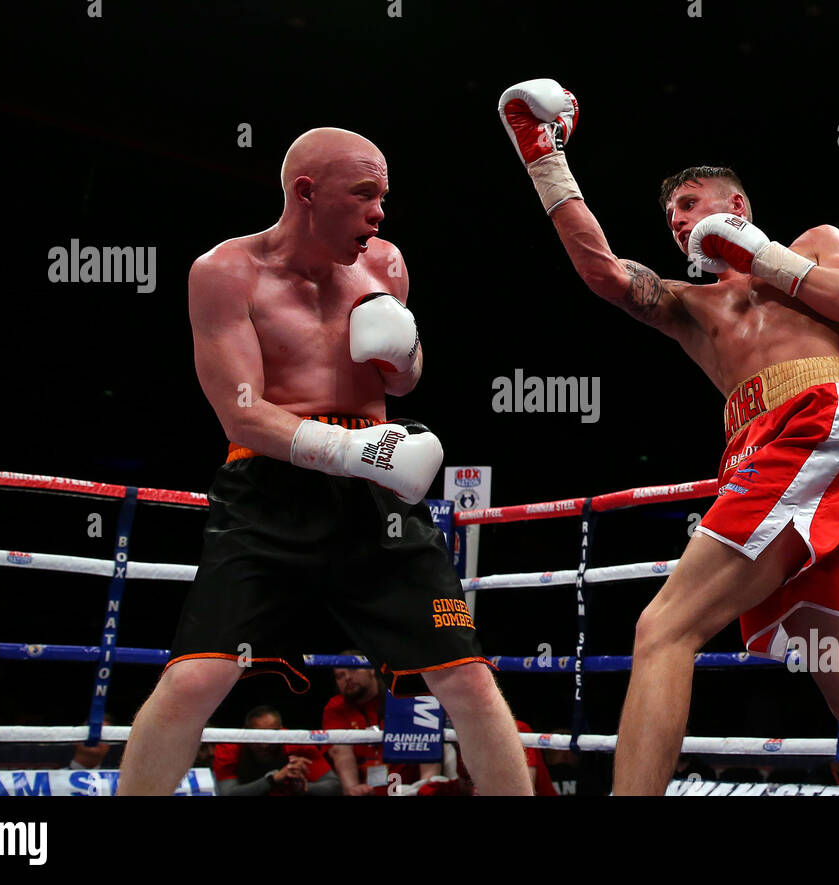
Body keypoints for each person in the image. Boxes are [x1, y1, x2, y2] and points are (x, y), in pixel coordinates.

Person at [498, 79, 839, 797]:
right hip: (756, 454)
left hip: (815, 420)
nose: (678, 225)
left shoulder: (812, 245)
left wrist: (761, 254)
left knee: (663, 628)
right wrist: (543, 156)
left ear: (734, 206)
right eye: (670, 218)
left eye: (688, 206)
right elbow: (603, 271)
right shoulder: (693, 308)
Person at [117, 127, 531, 796]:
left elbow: (403, 380)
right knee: (196, 675)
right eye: (365, 194)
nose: (380, 212)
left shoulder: (387, 264)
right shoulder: (225, 271)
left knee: (466, 676)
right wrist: (352, 449)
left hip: (375, 495)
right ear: (307, 193)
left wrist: (405, 355)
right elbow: (241, 412)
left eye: (385, 197)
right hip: (269, 484)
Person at [321, 652, 440, 795]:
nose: (348, 678)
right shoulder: (336, 707)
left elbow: (427, 742)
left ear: (371, 669)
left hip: (411, 787)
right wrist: (352, 789)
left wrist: (424, 786)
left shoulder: (403, 695)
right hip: (366, 789)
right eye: (339, 676)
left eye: (353, 669)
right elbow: (340, 751)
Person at [212, 706, 341, 796]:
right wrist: (272, 779)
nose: (265, 745)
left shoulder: (296, 743)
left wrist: (304, 788)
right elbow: (226, 793)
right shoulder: (229, 747)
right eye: (258, 737)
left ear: (281, 731)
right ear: (246, 732)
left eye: (271, 737)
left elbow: (335, 786)